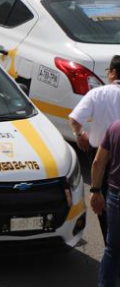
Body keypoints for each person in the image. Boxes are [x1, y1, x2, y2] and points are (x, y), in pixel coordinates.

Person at [72, 55, 120, 236]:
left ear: (113, 72)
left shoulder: (98, 93)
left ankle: (111, 247)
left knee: (103, 207)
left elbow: (75, 118)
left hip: (100, 157)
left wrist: (79, 134)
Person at [92, 118, 120, 287]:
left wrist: (95, 191)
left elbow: (98, 162)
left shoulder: (115, 127)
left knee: (112, 249)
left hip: (115, 197)